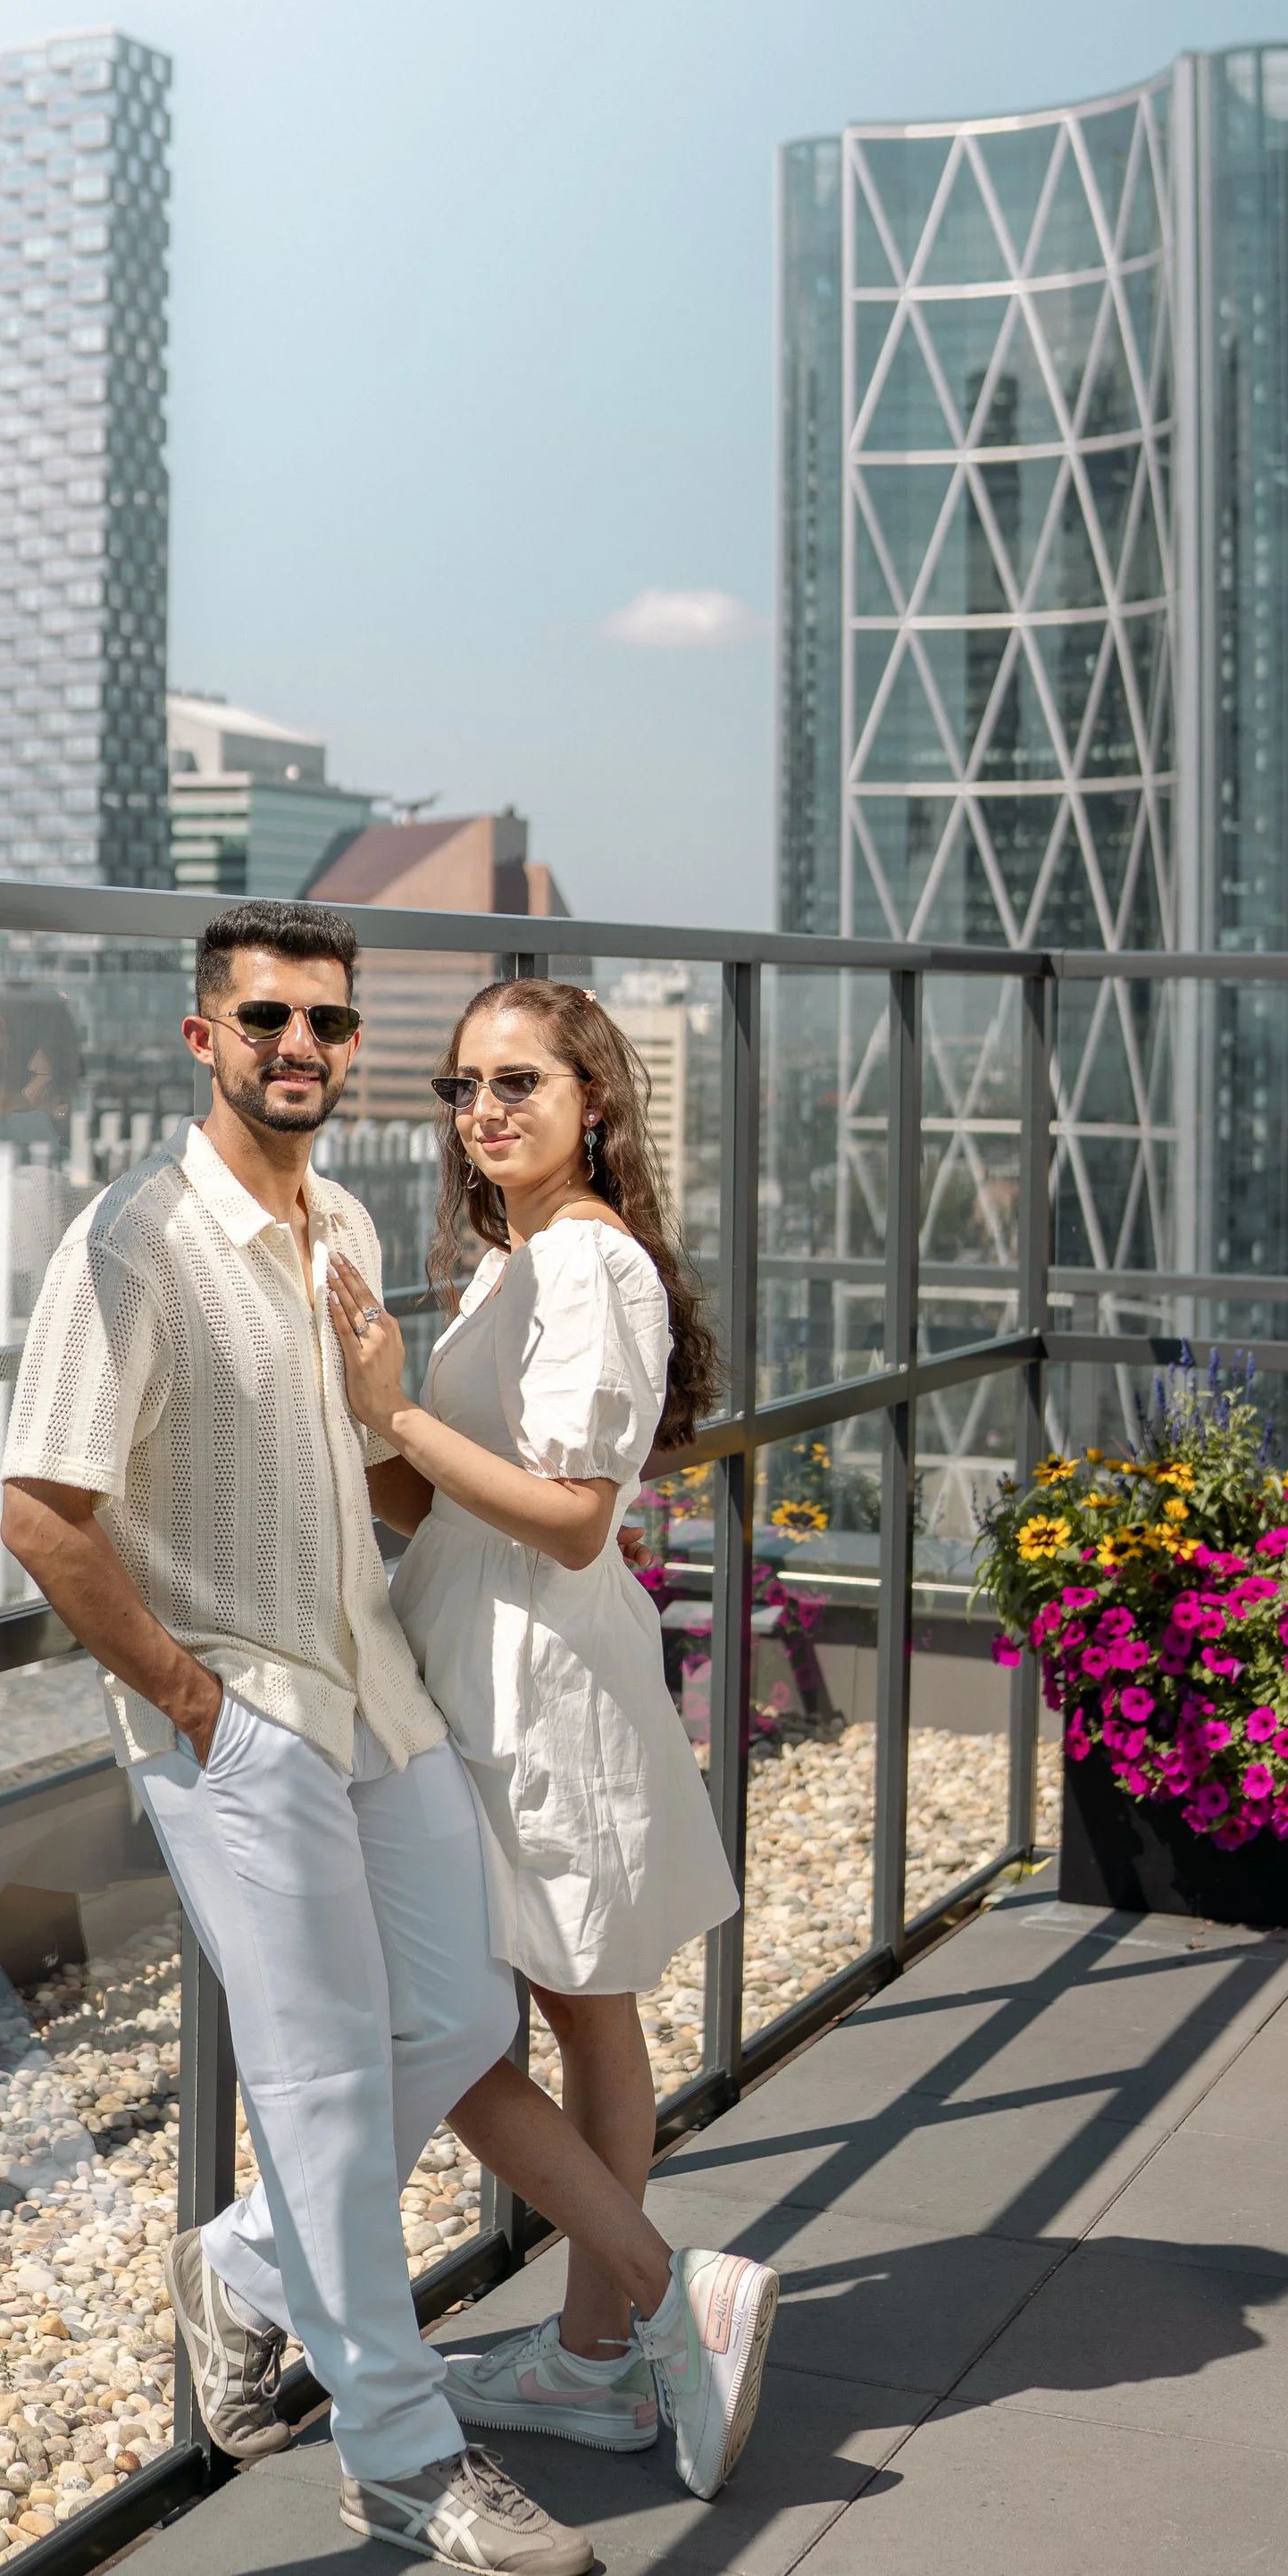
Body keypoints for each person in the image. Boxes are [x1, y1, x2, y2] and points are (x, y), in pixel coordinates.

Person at [1, 903, 771, 2576]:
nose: (304, 1050)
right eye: (270, 1020)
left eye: (334, 1026)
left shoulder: (345, 1219)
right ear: (203, 1038)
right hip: (245, 1711)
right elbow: (43, 1512)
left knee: (456, 2012)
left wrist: (396, 1420)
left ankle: (253, 2270)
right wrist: (194, 1707)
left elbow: (391, 1471)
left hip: (388, 1688)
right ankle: (405, 2451)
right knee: (330, 2079)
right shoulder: (127, 1244)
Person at [325, 976, 773, 2463]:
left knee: (437, 2009)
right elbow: (443, 1495)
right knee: (582, 2011)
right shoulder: (514, 1266)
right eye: (464, 1087)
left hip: (537, 1679)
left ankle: (645, 2298)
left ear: (596, 1101)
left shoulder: (591, 1267)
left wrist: (394, 1412)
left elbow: (575, 1520)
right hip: (483, 1659)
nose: (487, 1110)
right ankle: (599, 2352)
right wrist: (340, 1415)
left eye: (520, 1081)